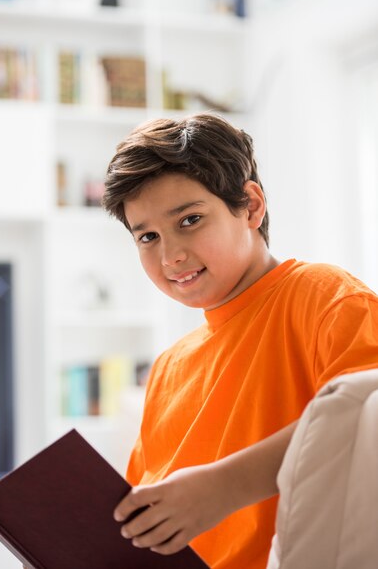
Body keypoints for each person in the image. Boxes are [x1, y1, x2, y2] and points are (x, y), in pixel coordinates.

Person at [102, 113, 378, 569]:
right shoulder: (170, 367)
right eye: (147, 236)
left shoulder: (326, 296)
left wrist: (223, 487)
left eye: (190, 219)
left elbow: (359, 421)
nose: (171, 255)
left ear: (250, 206)